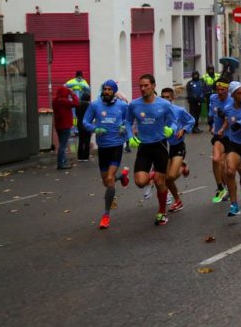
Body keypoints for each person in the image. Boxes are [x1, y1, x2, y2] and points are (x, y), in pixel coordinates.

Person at [126, 74, 179, 226]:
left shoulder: (164, 104)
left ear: (153, 86)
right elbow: (128, 121)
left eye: (146, 85)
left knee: (159, 181)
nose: (142, 89)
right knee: (140, 182)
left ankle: (162, 213)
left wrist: (171, 129)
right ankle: (151, 175)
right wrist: (130, 137)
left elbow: (174, 121)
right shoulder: (134, 105)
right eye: (140, 86)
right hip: (144, 146)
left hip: (160, 146)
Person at [82, 80, 131, 229]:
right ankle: (122, 176)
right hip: (102, 147)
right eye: (105, 89)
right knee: (106, 182)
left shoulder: (122, 106)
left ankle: (106, 215)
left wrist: (125, 128)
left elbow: (128, 121)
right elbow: (85, 121)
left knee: (109, 179)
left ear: (114, 91)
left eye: (110, 89)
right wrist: (94, 129)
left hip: (116, 145)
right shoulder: (95, 105)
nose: (107, 92)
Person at [160, 87, 195, 213]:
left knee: (170, 177)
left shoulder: (179, 110)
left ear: (172, 98)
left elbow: (191, 120)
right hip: (167, 147)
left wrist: (184, 129)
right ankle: (178, 201)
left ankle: (182, 167)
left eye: (167, 97)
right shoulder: (159, 112)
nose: (165, 99)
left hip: (179, 146)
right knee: (166, 179)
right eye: (163, 97)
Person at [221, 81, 241, 217]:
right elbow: (227, 121)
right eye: (239, 93)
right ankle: (234, 205)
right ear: (232, 95)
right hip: (235, 144)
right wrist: (222, 129)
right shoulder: (228, 109)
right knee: (230, 171)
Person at [208, 80, 233, 204]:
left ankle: (235, 186)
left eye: (222, 89)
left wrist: (223, 128)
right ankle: (220, 188)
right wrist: (213, 126)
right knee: (216, 160)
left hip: (232, 136)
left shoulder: (232, 101)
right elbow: (213, 115)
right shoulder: (213, 98)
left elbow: (228, 119)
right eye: (218, 89)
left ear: (227, 90)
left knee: (227, 167)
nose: (219, 92)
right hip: (219, 135)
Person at [53, 86, 79, 170]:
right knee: (63, 146)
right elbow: (76, 103)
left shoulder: (55, 101)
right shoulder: (64, 101)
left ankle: (63, 161)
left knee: (62, 144)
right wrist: (72, 93)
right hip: (65, 125)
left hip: (58, 125)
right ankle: (61, 164)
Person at [76, 92, 92, 162]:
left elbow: (76, 114)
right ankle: (86, 157)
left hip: (79, 124)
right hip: (87, 124)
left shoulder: (78, 104)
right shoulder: (89, 105)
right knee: (87, 140)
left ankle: (80, 157)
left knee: (81, 140)